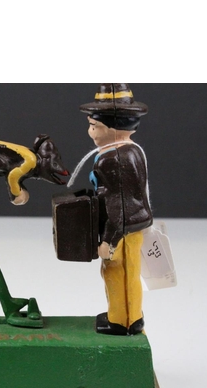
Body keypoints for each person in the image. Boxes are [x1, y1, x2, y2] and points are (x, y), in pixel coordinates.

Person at [80, 84, 152, 335]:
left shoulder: (114, 159)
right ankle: (122, 315)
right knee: (121, 272)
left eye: (94, 125)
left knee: (119, 274)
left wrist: (109, 240)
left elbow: (119, 203)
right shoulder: (128, 150)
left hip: (122, 229)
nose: (90, 132)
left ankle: (125, 322)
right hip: (126, 226)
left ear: (112, 127)